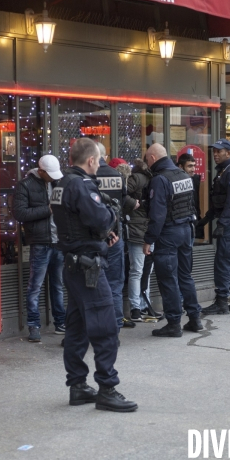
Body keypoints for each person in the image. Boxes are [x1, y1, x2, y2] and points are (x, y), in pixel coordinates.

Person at [50, 138, 137, 412]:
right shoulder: (82, 184)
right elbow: (100, 218)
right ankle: (107, 389)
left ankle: (78, 385)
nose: (99, 164)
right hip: (88, 267)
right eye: (98, 160)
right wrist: (111, 214)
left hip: (73, 264)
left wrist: (101, 236)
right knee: (105, 327)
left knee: (76, 328)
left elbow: (77, 223)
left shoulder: (61, 184)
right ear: (91, 160)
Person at [143, 143, 203, 336]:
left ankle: (174, 323)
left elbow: (157, 214)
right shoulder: (183, 175)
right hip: (186, 230)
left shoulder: (160, 180)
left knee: (168, 279)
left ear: (152, 158)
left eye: (147, 161)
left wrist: (148, 240)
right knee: (185, 276)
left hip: (169, 233)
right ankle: (195, 319)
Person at [12, 154, 65, 342]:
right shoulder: (25, 185)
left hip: (57, 240)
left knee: (57, 285)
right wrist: (48, 209)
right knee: (35, 286)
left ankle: (60, 321)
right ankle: (34, 325)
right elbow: (19, 213)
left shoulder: (58, 182)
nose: (53, 177)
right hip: (40, 241)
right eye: (49, 174)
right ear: (40, 171)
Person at [197, 139, 230, 315]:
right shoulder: (223, 171)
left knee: (222, 261)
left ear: (228, 153)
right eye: (214, 152)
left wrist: (221, 224)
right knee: (226, 259)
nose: (215, 154)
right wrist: (206, 219)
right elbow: (218, 200)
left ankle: (221, 300)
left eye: (219, 151)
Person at [96, 142, 127, 333]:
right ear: (104, 156)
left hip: (95, 237)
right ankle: (116, 323)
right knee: (115, 283)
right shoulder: (117, 175)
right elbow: (122, 202)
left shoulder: (88, 177)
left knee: (92, 285)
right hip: (116, 234)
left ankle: (99, 325)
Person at [122, 158, 153, 322]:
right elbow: (121, 192)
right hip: (139, 229)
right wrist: (134, 203)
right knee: (139, 271)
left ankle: (141, 305)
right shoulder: (140, 177)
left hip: (144, 229)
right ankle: (137, 306)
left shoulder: (148, 177)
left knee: (142, 271)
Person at [177, 153, 204, 239]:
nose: (193, 169)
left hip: (192, 220)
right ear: (181, 167)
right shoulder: (175, 182)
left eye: (194, 166)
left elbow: (195, 202)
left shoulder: (194, 179)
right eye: (190, 166)